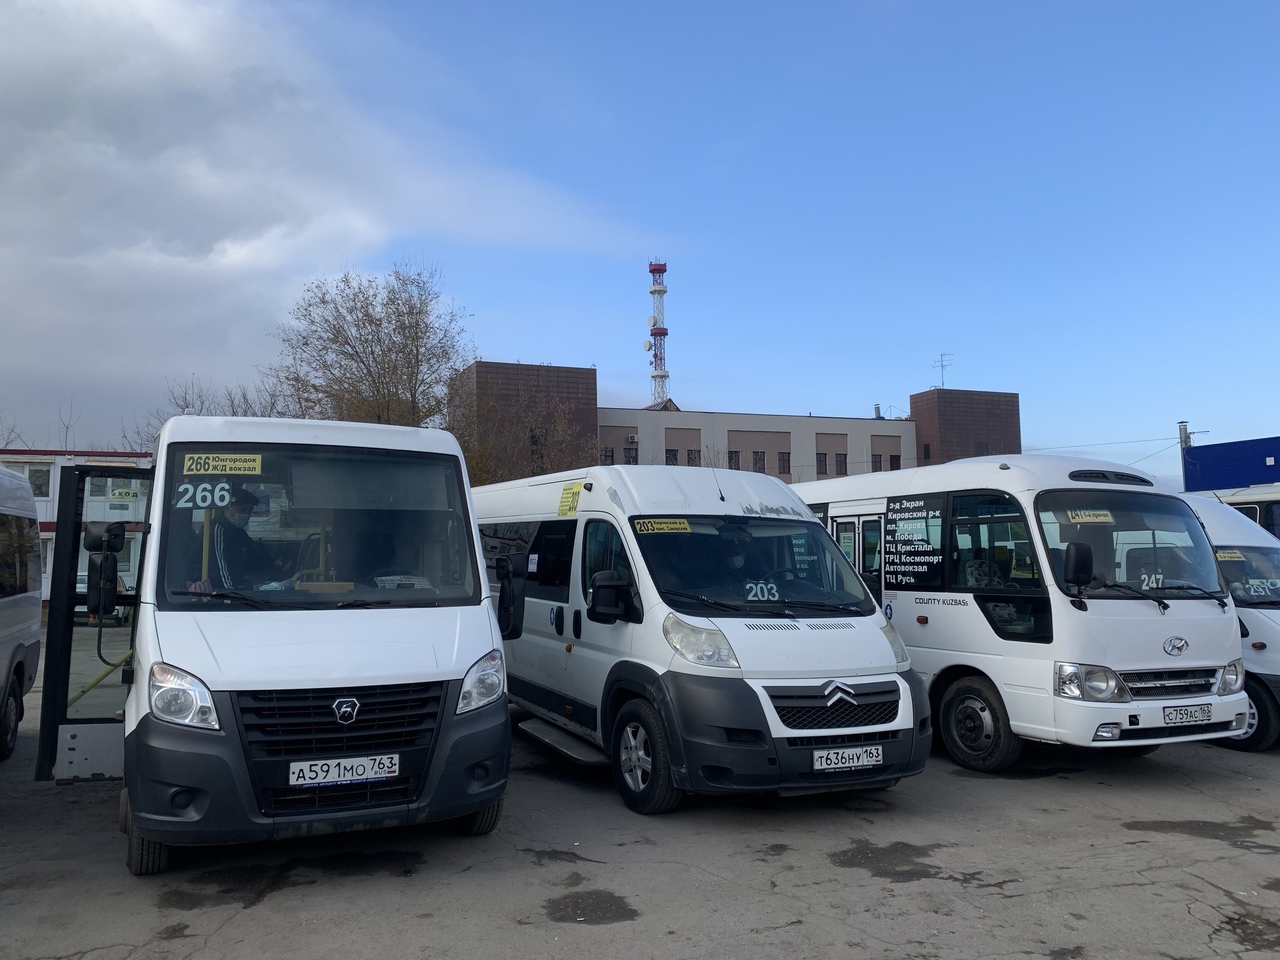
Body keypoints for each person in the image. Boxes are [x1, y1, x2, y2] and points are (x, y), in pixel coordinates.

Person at [188, 487, 281, 591]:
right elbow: (219, 571)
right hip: (215, 593)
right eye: (242, 510)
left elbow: (253, 553)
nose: (246, 515)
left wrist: (273, 563)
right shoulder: (217, 530)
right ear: (226, 508)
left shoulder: (238, 532)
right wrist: (233, 593)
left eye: (249, 511)